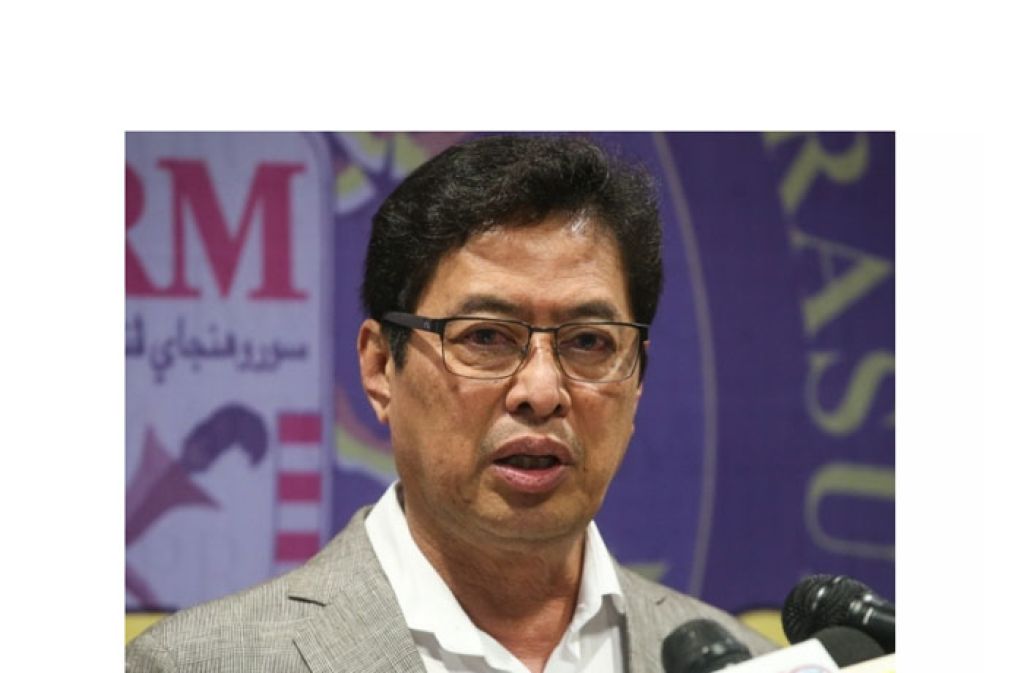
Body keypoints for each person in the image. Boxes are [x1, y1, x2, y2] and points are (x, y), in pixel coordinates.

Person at [126, 135, 775, 673]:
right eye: (486, 337)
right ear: (380, 368)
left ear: (637, 380)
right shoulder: (197, 664)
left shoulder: (748, 663)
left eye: (587, 342)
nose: (541, 391)